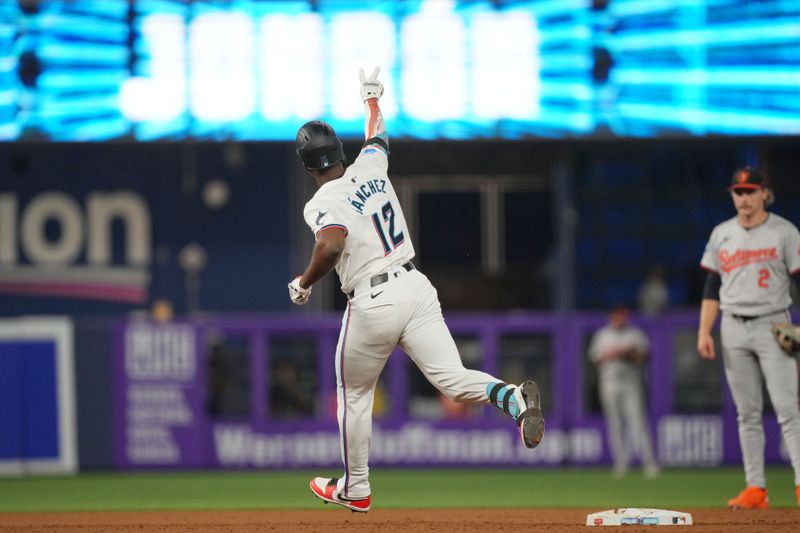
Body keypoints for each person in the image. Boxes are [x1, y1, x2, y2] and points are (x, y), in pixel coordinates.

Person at [288, 67, 545, 513]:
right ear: (341, 152)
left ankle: (356, 486)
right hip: (415, 285)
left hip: (373, 299)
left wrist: (304, 283)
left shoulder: (321, 201)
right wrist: (371, 98)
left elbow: (330, 245)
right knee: (453, 379)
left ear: (308, 165)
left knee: (353, 394)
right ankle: (512, 397)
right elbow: (379, 135)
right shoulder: (370, 165)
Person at [697, 166, 800, 509]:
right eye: (738, 192)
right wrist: (704, 331)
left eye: (750, 191)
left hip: (775, 324)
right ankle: (756, 489)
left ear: (764, 194)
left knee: (788, 408)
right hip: (732, 325)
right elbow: (712, 286)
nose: (743, 197)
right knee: (747, 412)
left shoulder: (784, 231)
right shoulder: (722, 233)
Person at [588, 305, 660, 479]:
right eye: (618, 316)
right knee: (615, 423)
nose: (621, 319)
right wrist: (614, 353)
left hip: (631, 382)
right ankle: (621, 463)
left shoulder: (634, 334)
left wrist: (628, 352)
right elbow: (595, 358)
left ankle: (649, 463)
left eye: (624, 316)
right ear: (612, 317)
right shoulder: (602, 334)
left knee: (638, 421)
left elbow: (644, 356)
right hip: (609, 381)